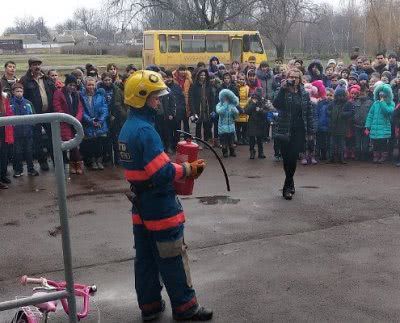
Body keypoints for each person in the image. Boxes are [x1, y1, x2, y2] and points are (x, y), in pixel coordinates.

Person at [118, 70, 212, 321]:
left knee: (146, 258)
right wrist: (189, 169)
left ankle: (150, 306)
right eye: (154, 97)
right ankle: (186, 307)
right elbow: (161, 173)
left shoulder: (128, 128)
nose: (158, 101)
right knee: (172, 256)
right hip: (159, 206)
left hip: (140, 204)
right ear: (141, 98)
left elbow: (144, 167)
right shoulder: (145, 131)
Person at [273, 68, 314, 200]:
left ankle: (286, 186)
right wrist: (283, 89)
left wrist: (311, 131)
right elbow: (276, 104)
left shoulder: (304, 94)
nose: (293, 79)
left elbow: (309, 113)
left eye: (296, 77)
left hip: (299, 130)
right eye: (291, 76)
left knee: (293, 157)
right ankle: (291, 182)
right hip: (284, 129)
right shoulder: (283, 90)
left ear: (300, 79)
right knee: (286, 159)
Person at [20, 57, 56, 171]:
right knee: (37, 139)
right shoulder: (25, 80)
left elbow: (54, 93)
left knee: (53, 138)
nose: (37, 67)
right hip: (35, 115)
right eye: (34, 64)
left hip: (49, 114)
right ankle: (43, 162)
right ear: (30, 66)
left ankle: (57, 161)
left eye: (38, 64)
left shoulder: (46, 79)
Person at [53, 75, 84, 174]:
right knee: (71, 144)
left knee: (75, 144)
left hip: (74, 122)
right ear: (66, 84)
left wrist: (76, 119)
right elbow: (57, 107)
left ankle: (75, 164)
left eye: (74, 85)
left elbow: (80, 108)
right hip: (64, 123)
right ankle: (74, 164)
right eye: (70, 85)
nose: (72, 87)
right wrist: (68, 118)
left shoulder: (76, 95)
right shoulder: (59, 93)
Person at [10, 83, 38, 178]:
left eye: (21, 91)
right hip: (15, 133)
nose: (19, 93)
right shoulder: (10, 104)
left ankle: (31, 169)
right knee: (17, 152)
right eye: (17, 91)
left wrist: (32, 125)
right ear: (13, 92)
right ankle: (18, 170)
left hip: (28, 132)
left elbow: (33, 115)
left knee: (29, 151)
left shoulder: (28, 103)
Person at [80, 77, 109, 170]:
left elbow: (104, 109)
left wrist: (100, 120)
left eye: (92, 84)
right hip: (89, 123)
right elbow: (81, 110)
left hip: (100, 123)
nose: (91, 87)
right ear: (85, 85)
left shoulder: (100, 95)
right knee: (91, 144)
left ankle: (99, 161)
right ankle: (93, 162)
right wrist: (90, 120)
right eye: (89, 85)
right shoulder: (81, 96)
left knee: (100, 143)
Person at [365, 83, 395, 163]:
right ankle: (376, 156)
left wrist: (383, 103)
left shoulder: (391, 103)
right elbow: (370, 115)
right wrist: (368, 126)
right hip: (375, 128)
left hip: (384, 128)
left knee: (383, 144)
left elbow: (388, 111)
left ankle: (383, 157)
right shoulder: (375, 103)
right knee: (375, 143)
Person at [328, 86, 354, 164]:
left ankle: (341, 158)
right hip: (333, 126)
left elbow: (352, 112)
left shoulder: (348, 103)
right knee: (332, 144)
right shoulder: (332, 103)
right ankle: (331, 158)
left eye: (342, 95)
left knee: (341, 144)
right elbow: (328, 110)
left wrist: (343, 114)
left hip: (343, 126)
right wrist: (331, 114)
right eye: (338, 95)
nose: (340, 97)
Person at [189, 69, 214, 145]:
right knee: (198, 127)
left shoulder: (208, 86)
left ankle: (206, 142)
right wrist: (193, 111)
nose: (203, 77)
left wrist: (212, 109)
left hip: (207, 109)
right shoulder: (193, 86)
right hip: (197, 110)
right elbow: (191, 99)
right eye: (201, 75)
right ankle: (198, 142)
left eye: (204, 75)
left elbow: (211, 99)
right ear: (198, 76)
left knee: (207, 127)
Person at [245, 90, 269, 159]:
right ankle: (252, 152)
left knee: (259, 139)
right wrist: (253, 104)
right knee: (252, 138)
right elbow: (246, 111)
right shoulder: (251, 102)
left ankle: (261, 152)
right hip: (252, 122)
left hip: (260, 123)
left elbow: (266, 112)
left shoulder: (263, 102)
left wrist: (260, 110)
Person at [216, 88, 239, 158]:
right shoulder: (219, 105)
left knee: (231, 142)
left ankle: (232, 151)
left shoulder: (232, 105)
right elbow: (219, 112)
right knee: (224, 142)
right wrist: (225, 105)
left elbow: (236, 114)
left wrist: (234, 110)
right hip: (222, 128)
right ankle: (225, 152)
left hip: (231, 127)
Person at [0, 83, 14, 189]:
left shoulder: (4, 98)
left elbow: (8, 111)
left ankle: (2, 175)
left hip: (3, 128)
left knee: (4, 153)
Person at [173, 65, 192, 138]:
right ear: (178, 71)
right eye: (181, 70)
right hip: (177, 104)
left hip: (186, 103)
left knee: (186, 123)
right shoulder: (174, 79)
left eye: (184, 70)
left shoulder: (188, 79)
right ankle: (177, 140)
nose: (182, 72)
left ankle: (187, 139)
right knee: (178, 123)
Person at [353, 87, 373, 161]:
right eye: (361, 93)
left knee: (365, 144)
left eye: (363, 93)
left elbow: (371, 114)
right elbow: (353, 112)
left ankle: (365, 157)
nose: (362, 94)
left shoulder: (370, 102)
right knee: (357, 144)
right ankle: (358, 156)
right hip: (357, 126)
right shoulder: (356, 102)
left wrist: (369, 125)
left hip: (366, 126)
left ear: (367, 93)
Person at [316, 87, 333, 160]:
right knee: (321, 141)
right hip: (320, 125)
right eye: (327, 95)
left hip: (329, 125)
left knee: (329, 142)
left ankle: (328, 155)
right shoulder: (320, 103)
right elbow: (317, 113)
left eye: (330, 95)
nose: (328, 97)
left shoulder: (333, 104)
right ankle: (322, 154)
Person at [236, 72, 250, 145]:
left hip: (245, 109)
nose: (241, 80)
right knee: (238, 127)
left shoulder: (247, 88)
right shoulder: (235, 87)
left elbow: (249, 98)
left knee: (245, 127)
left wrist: (246, 108)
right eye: (240, 79)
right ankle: (239, 139)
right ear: (237, 79)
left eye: (243, 79)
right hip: (237, 109)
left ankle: (244, 138)